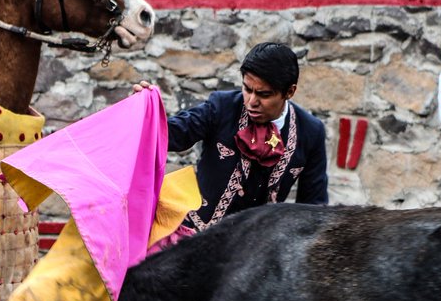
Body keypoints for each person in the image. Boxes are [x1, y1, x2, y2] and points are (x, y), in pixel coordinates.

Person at [138, 42, 328, 231]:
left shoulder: (311, 132)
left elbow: (313, 208)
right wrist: (144, 113)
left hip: (253, 250)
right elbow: (175, 134)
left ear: (290, 92)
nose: (252, 102)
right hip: (194, 237)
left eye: (263, 94)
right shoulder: (222, 106)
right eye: (247, 89)